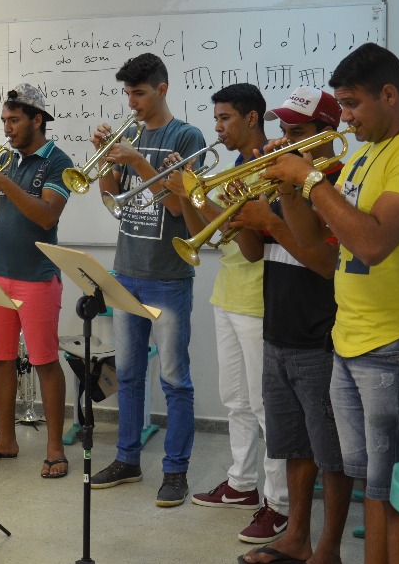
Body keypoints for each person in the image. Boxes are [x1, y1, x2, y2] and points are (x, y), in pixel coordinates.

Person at [262, 44, 399, 564]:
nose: (345, 118)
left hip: (394, 342)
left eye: (352, 104)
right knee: (370, 483)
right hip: (348, 338)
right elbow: (313, 239)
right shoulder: (364, 153)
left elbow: (372, 243)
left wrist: (308, 179)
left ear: (389, 95)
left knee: (394, 489)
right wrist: (287, 186)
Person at [222, 86, 353, 564]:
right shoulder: (281, 182)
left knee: (331, 452)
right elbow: (255, 253)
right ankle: (296, 536)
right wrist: (241, 214)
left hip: (320, 334)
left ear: (327, 133)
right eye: (284, 130)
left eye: (298, 132)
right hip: (277, 327)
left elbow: (325, 263)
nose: (286, 139)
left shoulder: (338, 184)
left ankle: (328, 549)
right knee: (295, 445)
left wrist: (274, 220)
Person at [87, 53, 205, 507]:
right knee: (128, 374)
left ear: (162, 89)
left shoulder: (187, 136)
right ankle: (127, 459)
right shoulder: (131, 134)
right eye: (127, 94)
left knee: (175, 379)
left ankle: (175, 470)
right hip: (127, 272)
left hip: (168, 277)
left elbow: (177, 207)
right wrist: (105, 159)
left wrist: (137, 160)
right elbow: (111, 200)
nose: (131, 102)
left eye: (139, 93)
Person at [177, 84, 290, 542]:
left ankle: (279, 503)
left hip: (259, 301)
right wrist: (187, 195)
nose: (218, 128)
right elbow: (207, 235)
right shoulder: (232, 170)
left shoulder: (270, 166)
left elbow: (253, 245)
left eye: (225, 118)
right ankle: (242, 484)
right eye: (217, 119)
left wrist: (205, 198)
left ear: (251, 118)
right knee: (235, 401)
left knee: (266, 407)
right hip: (227, 295)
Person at [0, 84, 73, 478]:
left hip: (37, 277)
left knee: (44, 362)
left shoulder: (59, 161)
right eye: (4, 121)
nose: (7, 128)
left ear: (37, 120)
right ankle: (5, 439)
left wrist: (6, 183)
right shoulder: (7, 159)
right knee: (1, 360)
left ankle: (55, 448)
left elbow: (47, 216)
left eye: (14, 120)